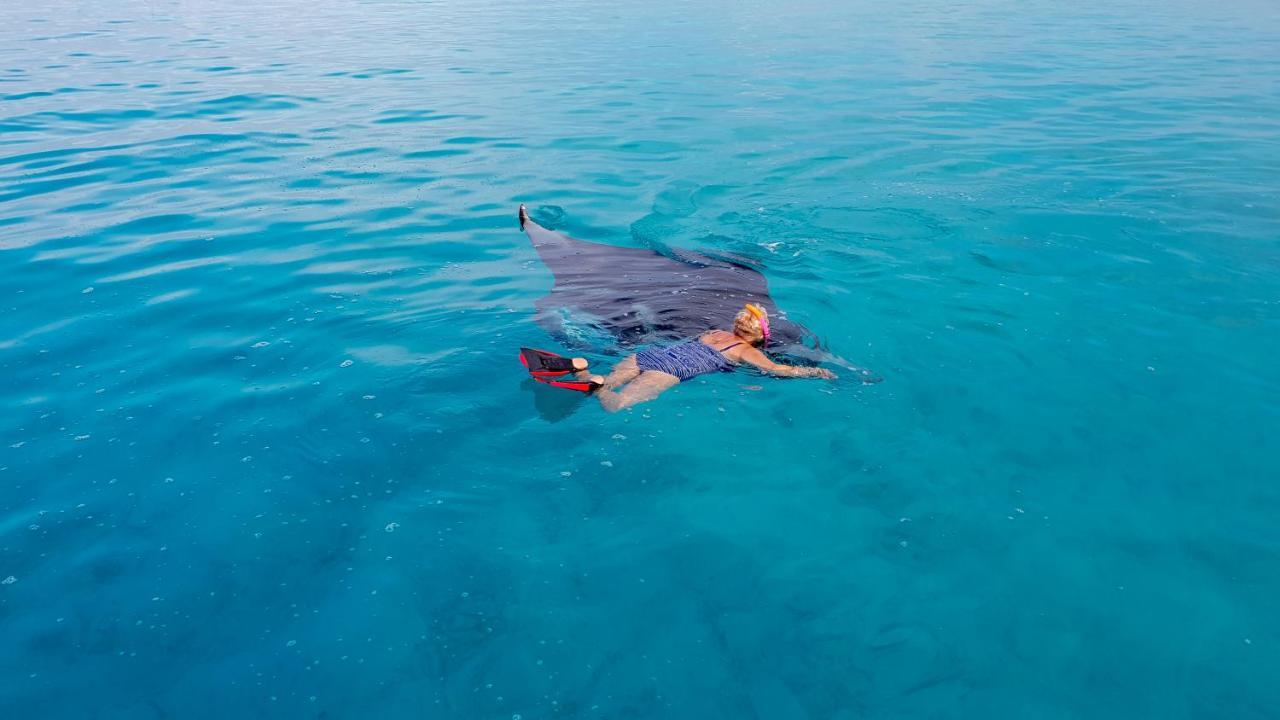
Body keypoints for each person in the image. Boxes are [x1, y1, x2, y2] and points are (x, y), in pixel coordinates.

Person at [570, 303, 836, 412]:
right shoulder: (747, 350)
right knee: (615, 405)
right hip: (670, 371)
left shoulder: (714, 332)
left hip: (650, 356)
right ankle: (596, 384)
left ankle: (583, 372)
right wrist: (815, 372)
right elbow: (779, 369)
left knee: (606, 382)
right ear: (758, 335)